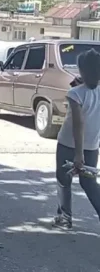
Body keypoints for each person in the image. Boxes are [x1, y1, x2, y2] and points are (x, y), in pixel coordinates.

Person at [53, 48, 100, 229]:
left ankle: (65, 218)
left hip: (69, 144)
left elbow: (78, 123)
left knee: (64, 180)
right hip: (92, 145)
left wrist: (78, 155)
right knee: (89, 183)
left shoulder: (75, 94)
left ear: (83, 70)